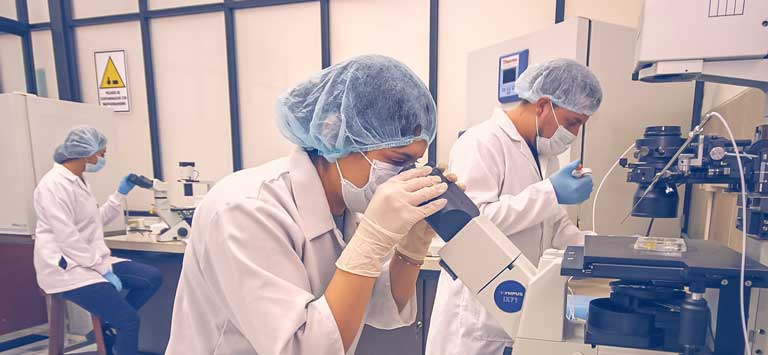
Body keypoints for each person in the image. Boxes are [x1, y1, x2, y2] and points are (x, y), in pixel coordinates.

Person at [167, 55, 450, 355]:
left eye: (414, 163)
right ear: (333, 132)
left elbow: (378, 306)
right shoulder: (247, 210)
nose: (405, 175)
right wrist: (372, 241)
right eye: (397, 161)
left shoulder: (345, 206)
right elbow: (299, 349)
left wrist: (411, 246)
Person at [425, 58, 603, 354]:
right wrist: (549, 192)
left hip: (515, 306)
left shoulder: (545, 155)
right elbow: (473, 224)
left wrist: (605, 250)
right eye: (572, 122)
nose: (574, 133)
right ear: (543, 105)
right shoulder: (481, 142)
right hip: (475, 321)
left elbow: (553, 223)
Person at [33, 126, 163, 355]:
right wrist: (102, 269)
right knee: (129, 321)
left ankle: (106, 328)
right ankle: (115, 328)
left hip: (89, 260)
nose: (102, 159)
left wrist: (120, 194)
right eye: (101, 154)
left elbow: (95, 221)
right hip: (66, 269)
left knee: (152, 278)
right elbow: (67, 237)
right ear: (85, 153)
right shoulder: (53, 185)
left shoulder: (79, 180)